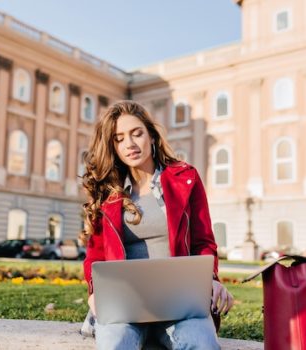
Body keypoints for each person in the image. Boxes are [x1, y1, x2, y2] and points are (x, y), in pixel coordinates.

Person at [80, 100, 234, 350]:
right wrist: (96, 294)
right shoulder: (106, 193)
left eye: (136, 133)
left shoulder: (186, 178)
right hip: (124, 308)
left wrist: (212, 279)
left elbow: (203, 241)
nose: (129, 144)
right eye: (119, 139)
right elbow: (95, 256)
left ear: (151, 136)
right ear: (113, 147)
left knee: (203, 345)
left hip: (180, 307)